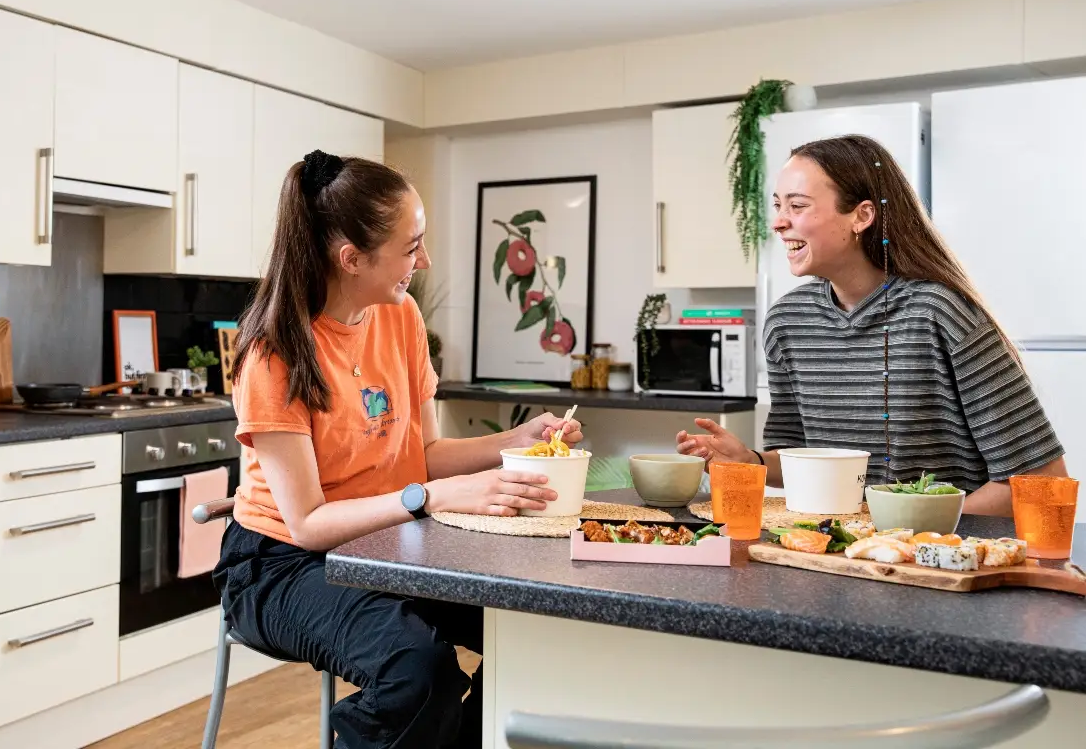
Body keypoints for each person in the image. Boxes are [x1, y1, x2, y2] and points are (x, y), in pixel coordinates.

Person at [213, 149, 581, 749]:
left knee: (536, 628)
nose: (425, 260)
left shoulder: (400, 315)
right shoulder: (274, 354)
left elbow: (424, 455)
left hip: (385, 544)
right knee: (416, 670)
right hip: (278, 564)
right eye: (412, 247)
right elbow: (307, 524)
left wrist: (514, 443)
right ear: (351, 258)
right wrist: (428, 498)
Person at [677, 135, 1067, 518]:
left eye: (797, 205)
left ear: (862, 215)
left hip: (940, 559)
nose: (779, 223)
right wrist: (752, 460)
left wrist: (903, 530)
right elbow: (802, 459)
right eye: (778, 205)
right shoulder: (787, 321)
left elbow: (1040, 482)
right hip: (839, 555)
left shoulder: (940, 313)